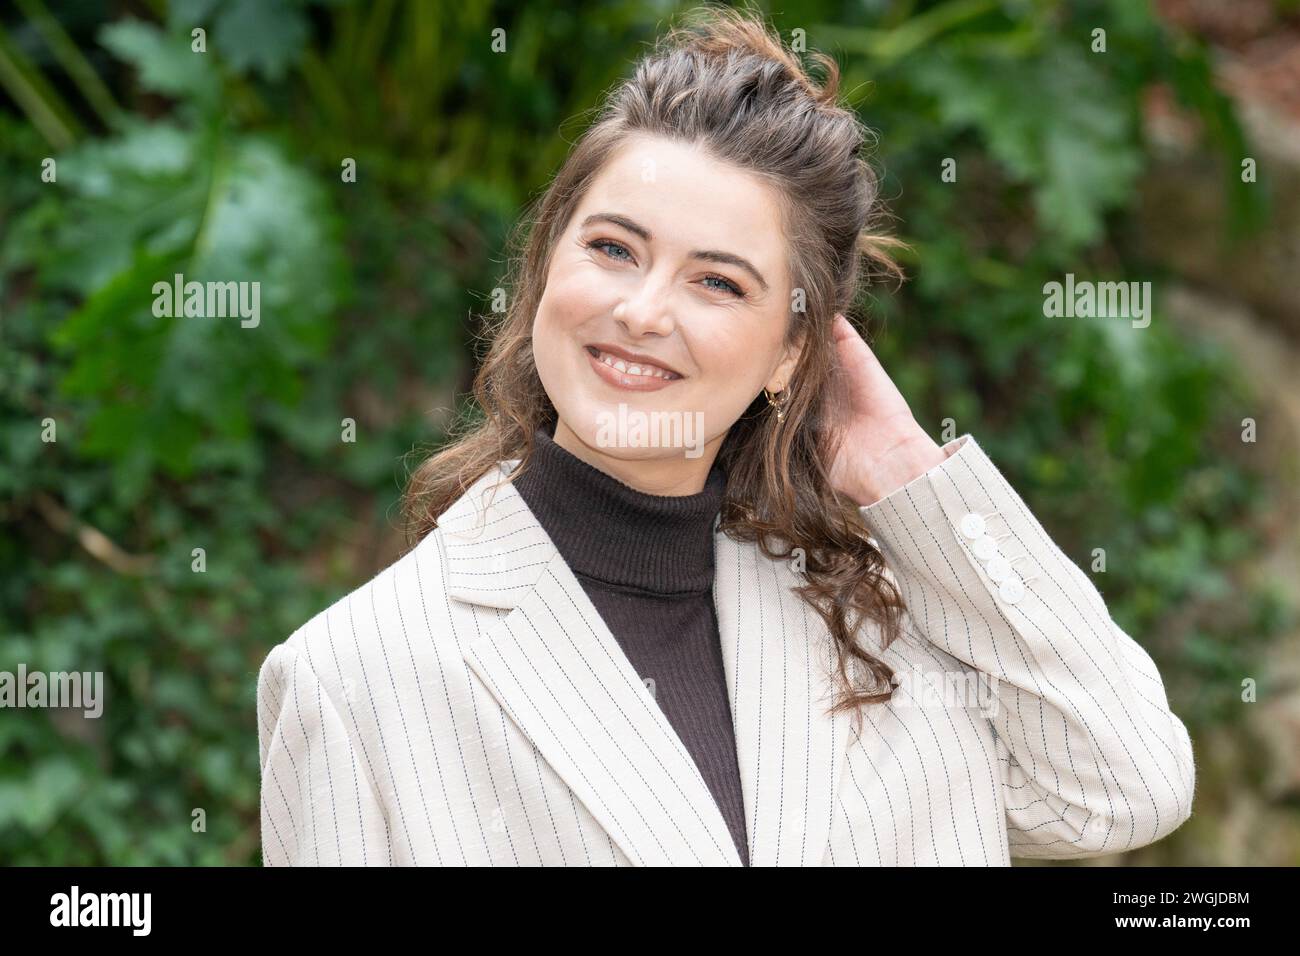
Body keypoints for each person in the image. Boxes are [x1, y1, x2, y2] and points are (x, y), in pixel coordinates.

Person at [256, 5, 1195, 866]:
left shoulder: (889, 611)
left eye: (718, 282)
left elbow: (1122, 787)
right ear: (546, 263)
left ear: (794, 349)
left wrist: (912, 476)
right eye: (613, 249)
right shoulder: (356, 677)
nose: (643, 310)